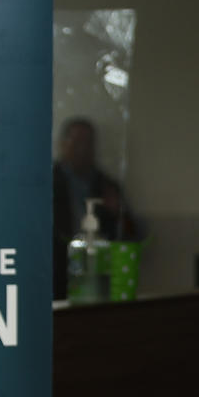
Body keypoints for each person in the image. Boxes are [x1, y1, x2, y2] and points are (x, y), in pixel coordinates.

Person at [51, 117, 139, 299]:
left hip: (97, 280)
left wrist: (117, 212)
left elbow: (133, 236)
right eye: (77, 142)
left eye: (88, 143)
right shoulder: (47, 183)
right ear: (63, 144)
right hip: (55, 279)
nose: (82, 149)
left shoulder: (106, 185)